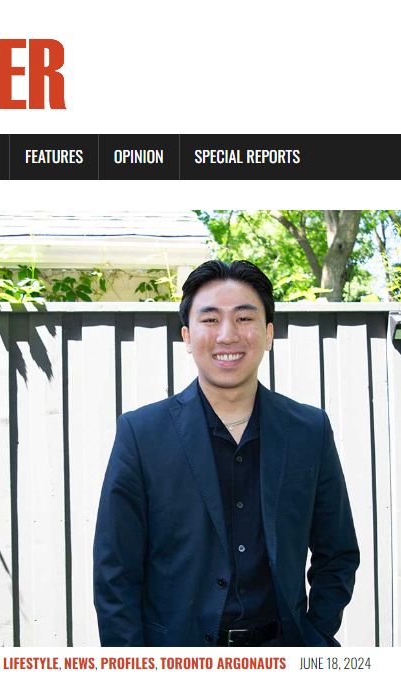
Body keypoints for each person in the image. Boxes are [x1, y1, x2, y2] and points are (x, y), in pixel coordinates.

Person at [93, 260, 359, 647]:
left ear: (268, 333)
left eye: (245, 318)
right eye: (211, 319)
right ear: (187, 335)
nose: (228, 335)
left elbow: (337, 554)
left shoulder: (309, 430)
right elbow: (114, 571)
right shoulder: (141, 434)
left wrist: (314, 635)